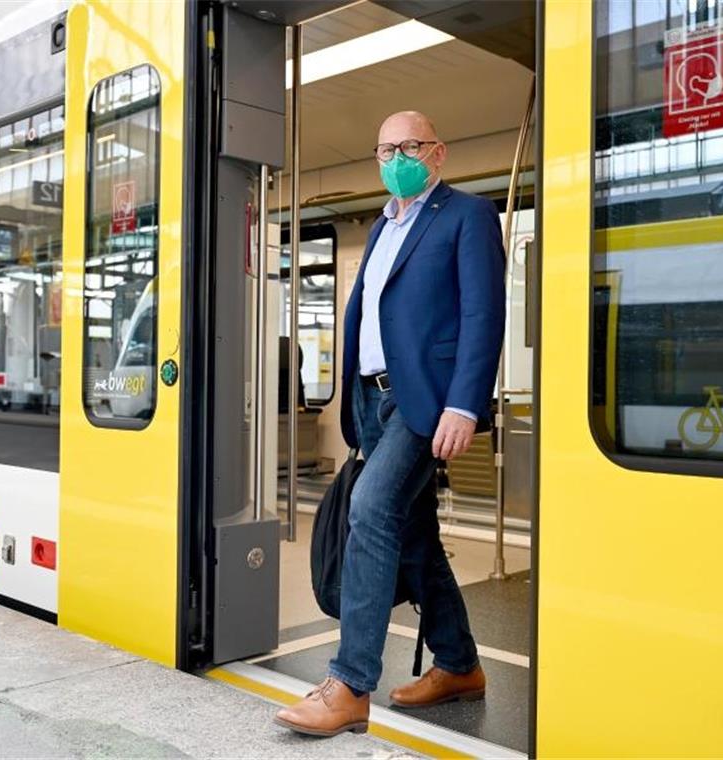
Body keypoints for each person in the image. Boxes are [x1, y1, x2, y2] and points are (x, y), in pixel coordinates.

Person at [274, 111, 505, 736]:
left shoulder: (466, 216)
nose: (396, 157)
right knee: (416, 536)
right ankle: (458, 664)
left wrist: (464, 404)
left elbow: (484, 315)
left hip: (422, 403)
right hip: (368, 402)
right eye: (384, 148)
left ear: (438, 152)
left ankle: (349, 684)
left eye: (409, 145)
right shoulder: (382, 225)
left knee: (372, 510)